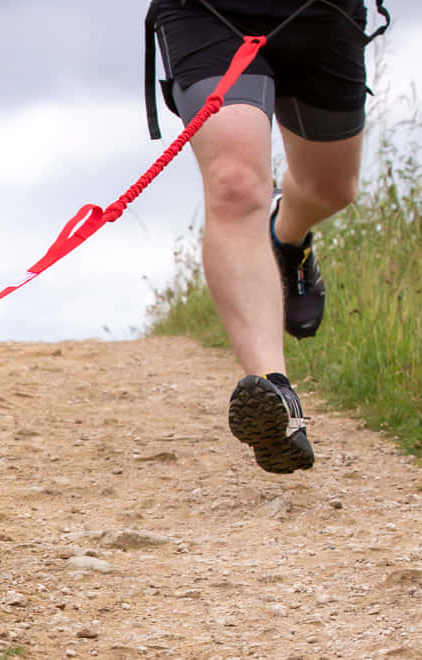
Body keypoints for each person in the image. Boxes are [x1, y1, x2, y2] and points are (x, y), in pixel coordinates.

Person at [145, 0, 388, 473]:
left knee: (331, 188)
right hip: (206, 12)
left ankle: (287, 233)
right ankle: (276, 395)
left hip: (322, 12)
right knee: (234, 184)